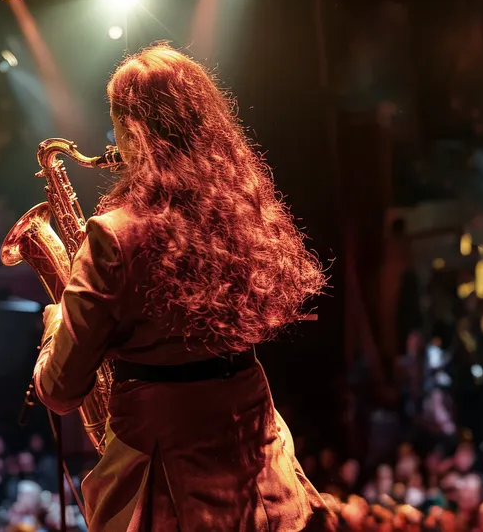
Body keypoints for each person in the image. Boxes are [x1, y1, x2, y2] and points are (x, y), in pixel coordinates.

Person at [34, 45, 333, 531]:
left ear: (133, 131)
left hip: (165, 484)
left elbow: (60, 391)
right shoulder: (242, 216)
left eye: (115, 128)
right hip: (261, 473)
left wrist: (55, 324)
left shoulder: (114, 233)